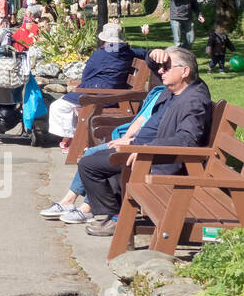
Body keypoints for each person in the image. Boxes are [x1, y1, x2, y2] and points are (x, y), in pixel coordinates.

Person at [81, 48, 212, 237]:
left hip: (159, 160)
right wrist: (153, 54)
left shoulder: (193, 100)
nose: (160, 71)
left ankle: (117, 217)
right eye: (161, 67)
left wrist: (145, 149)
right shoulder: (177, 90)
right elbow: (153, 65)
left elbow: (187, 139)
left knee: (90, 165)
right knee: (95, 158)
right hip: (143, 149)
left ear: (185, 71)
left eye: (166, 67)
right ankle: (115, 213)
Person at [40, 79, 170, 224]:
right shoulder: (162, 93)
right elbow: (140, 119)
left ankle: (85, 208)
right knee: (90, 155)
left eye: (167, 69)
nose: (163, 72)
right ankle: (70, 201)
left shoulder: (180, 100)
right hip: (133, 142)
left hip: (142, 149)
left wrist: (134, 143)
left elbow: (176, 137)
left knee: (91, 158)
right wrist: (126, 137)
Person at [48, 21, 149, 150]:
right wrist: (153, 52)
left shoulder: (101, 54)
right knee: (67, 104)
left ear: (104, 40)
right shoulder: (127, 51)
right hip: (111, 93)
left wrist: (81, 87)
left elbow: (86, 75)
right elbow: (144, 53)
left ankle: (74, 138)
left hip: (101, 96)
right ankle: (73, 137)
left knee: (58, 106)